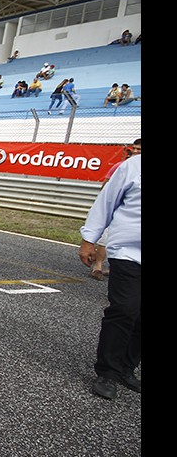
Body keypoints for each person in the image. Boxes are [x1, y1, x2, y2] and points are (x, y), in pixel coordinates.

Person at [78, 150, 141, 401]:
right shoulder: (133, 166)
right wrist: (89, 239)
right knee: (125, 309)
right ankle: (108, 372)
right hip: (128, 251)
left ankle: (127, 368)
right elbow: (106, 203)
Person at [89, 139, 141, 280]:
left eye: (139, 149)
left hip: (132, 220)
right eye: (134, 148)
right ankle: (98, 266)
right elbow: (107, 185)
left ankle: (116, 267)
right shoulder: (121, 166)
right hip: (116, 210)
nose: (136, 151)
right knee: (105, 238)